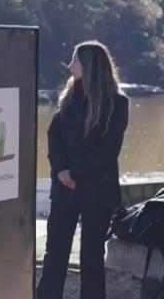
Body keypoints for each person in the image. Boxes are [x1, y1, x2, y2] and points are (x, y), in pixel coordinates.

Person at [37, 41, 130, 299]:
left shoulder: (117, 103)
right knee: (55, 254)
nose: (70, 66)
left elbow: (109, 150)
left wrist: (75, 173)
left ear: (89, 66)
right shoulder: (68, 98)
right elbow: (53, 135)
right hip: (64, 188)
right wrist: (61, 172)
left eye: (75, 61)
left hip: (96, 190)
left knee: (91, 258)